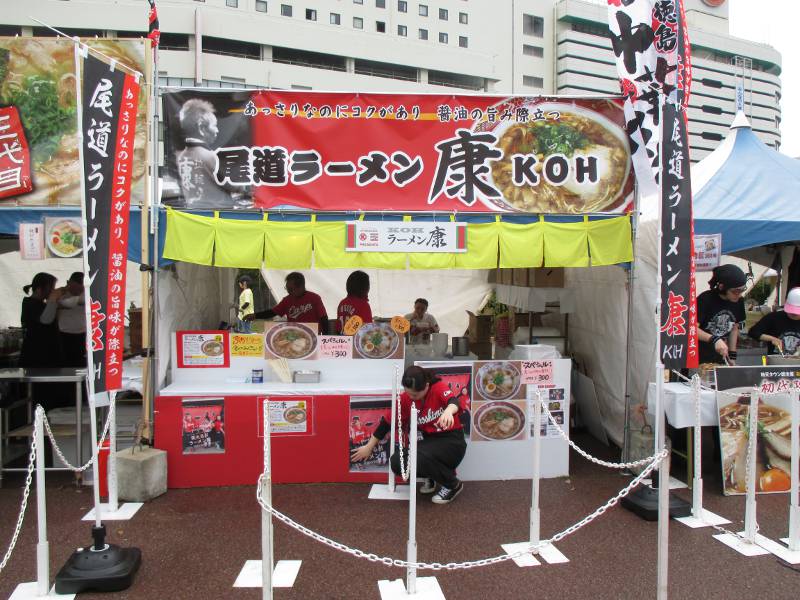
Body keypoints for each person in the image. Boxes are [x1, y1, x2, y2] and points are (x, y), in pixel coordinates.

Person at [351, 366, 467, 504]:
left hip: (451, 441)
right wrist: (369, 447)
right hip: (427, 442)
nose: (412, 397)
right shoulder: (405, 399)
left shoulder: (438, 388)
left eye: (416, 395)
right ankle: (431, 476)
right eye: (409, 393)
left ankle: (452, 484)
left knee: (419, 457)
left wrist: (448, 411)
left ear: (426, 386)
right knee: (397, 463)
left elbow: (453, 401)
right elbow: (387, 423)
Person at [175, 98, 236, 209]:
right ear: (202, 127)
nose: (217, 130)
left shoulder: (180, 156)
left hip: (192, 209)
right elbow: (231, 184)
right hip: (217, 212)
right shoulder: (209, 156)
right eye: (214, 125)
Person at [245, 272, 329, 334]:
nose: (288, 292)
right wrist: (255, 315)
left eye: (291, 289)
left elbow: (324, 319)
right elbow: (272, 312)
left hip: (313, 336)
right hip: (293, 336)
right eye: (287, 289)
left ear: (301, 287)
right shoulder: (287, 300)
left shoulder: (314, 298)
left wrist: (325, 339)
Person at [697, 264, 747, 365]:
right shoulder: (705, 299)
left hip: (721, 357)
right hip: (698, 357)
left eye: (742, 290)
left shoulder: (739, 301)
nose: (739, 294)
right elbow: (691, 330)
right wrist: (714, 339)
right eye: (735, 291)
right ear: (722, 287)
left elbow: (734, 328)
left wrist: (732, 355)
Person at [40, 272, 86, 368]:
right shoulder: (59, 293)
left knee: (80, 363)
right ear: (68, 282)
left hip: (82, 335)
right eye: (74, 287)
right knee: (65, 364)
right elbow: (50, 308)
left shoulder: (87, 295)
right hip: (63, 335)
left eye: (80, 288)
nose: (77, 291)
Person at [19, 272, 60, 368]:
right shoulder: (30, 304)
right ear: (39, 289)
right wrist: (53, 298)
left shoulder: (43, 304)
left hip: (48, 353)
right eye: (51, 288)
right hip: (37, 355)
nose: (52, 291)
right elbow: (46, 320)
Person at [748, 287, 800, 355]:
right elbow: (753, 332)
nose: (794, 313)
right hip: (776, 362)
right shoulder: (774, 317)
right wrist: (772, 339)